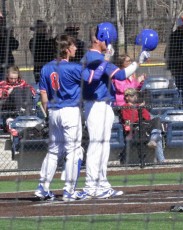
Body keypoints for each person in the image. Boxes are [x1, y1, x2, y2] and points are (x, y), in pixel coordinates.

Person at [81, 23, 150, 199]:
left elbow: (120, 75)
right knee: (97, 146)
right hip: (95, 105)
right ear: (99, 38)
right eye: (107, 39)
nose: (109, 42)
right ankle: (90, 186)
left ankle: (102, 184)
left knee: (103, 146)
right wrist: (108, 60)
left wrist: (138, 62)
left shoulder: (101, 57)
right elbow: (112, 75)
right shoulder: (92, 56)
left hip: (105, 105)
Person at [34, 34, 86, 201]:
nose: (76, 48)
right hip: (70, 111)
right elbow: (94, 79)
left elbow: (43, 95)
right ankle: (69, 190)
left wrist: (48, 114)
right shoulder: (73, 67)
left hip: (54, 112)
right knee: (74, 151)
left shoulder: (46, 68)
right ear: (66, 49)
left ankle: (43, 186)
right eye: (73, 46)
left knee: (54, 151)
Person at [121, 88, 165, 163]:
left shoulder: (138, 105)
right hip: (136, 128)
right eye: (132, 95)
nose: (135, 96)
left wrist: (140, 108)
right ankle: (161, 160)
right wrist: (138, 109)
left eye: (135, 95)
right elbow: (128, 121)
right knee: (158, 137)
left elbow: (147, 117)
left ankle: (152, 140)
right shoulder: (125, 107)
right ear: (127, 97)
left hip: (145, 125)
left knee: (157, 120)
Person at [0, 66, 36, 130]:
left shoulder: (22, 82)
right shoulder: (3, 84)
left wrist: (28, 89)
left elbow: (32, 91)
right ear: (7, 76)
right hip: (9, 106)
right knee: (17, 90)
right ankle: (18, 114)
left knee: (27, 89)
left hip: (23, 104)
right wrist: (7, 92)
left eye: (15, 78)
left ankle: (29, 113)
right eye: (11, 78)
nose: (13, 80)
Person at [166, 15, 183, 96]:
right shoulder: (174, 37)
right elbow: (168, 53)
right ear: (180, 26)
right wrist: (172, 68)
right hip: (179, 69)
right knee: (181, 90)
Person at [29, 20, 55, 84]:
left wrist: (50, 39)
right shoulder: (33, 41)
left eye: (45, 26)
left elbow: (54, 51)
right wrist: (47, 39)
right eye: (43, 26)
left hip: (51, 68)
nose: (45, 28)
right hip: (39, 69)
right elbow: (38, 53)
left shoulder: (50, 39)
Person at [0, 12, 19, 81]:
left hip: (8, 66)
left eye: (1, 20)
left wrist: (10, 35)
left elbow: (15, 45)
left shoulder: (6, 32)